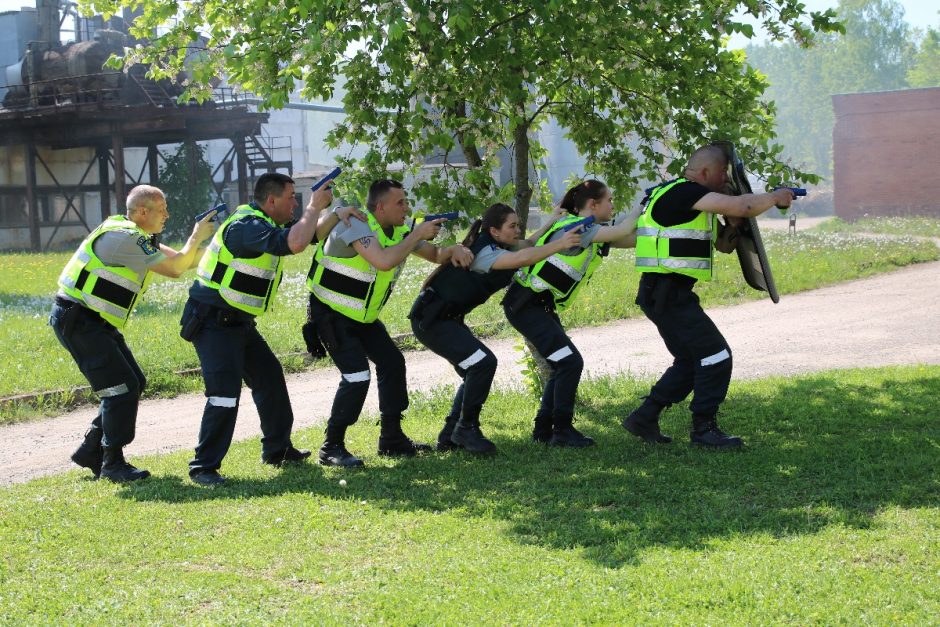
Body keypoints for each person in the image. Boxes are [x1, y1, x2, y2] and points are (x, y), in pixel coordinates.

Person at [181, 173, 353, 486]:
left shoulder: (266, 224)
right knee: (223, 395)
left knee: (270, 378)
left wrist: (336, 213)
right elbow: (297, 241)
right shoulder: (246, 226)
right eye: (291, 197)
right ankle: (203, 467)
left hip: (237, 321)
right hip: (213, 321)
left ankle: (278, 449)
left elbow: (309, 235)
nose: (296, 203)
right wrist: (314, 205)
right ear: (271, 200)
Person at [622, 145, 794, 448]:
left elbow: (724, 245)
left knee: (690, 361)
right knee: (716, 356)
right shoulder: (684, 192)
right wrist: (775, 197)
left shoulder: (688, 200)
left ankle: (644, 417)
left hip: (665, 294)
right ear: (705, 172)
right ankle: (703, 429)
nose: (725, 182)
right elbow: (743, 205)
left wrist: (735, 225)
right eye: (722, 175)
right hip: (667, 294)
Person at [51, 184, 216, 482]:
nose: (167, 215)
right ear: (142, 211)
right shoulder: (126, 238)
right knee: (121, 388)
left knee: (134, 382)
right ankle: (112, 463)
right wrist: (196, 236)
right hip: (80, 320)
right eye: (162, 210)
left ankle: (92, 450)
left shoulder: (133, 234)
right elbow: (176, 268)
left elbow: (184, 258)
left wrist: (220, 248)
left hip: (92, 321)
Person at [307, 178, 474, 467]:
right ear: (380, 207)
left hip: (363, 317)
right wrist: (415, 235)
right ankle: (331, 446)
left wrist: (455, 249)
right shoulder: (357, 224)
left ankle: (391, 439)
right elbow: (383, 261)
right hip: (331, 314)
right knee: (357, 376)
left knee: (393, 363)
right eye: (401, 203)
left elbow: (434, 254)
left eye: (407, 202)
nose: (406, 208)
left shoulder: (399, 230)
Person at [409, 203, 583, 454]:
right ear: (494, 231)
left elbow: (529, 245)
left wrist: (552, 221)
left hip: (444, 318)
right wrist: (560, 244)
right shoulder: (487, 253)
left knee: (475, 367)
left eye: (517, 225)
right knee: (482, 363)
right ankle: (466, 429)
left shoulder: (498, 244)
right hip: (432, 320)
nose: (518, 230)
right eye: (512, 226)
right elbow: (523, 258)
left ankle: (451, 435)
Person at [502, 180, 639, 447]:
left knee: (561, 364)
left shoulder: (589, 231)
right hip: (527, 305)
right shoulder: (580, 228)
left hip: (535, 305)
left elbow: (630, 238)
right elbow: (624, 228)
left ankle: (544, 429)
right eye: (609, 200)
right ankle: (562, 431)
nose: (613, 205)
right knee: (570, 363)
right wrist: (642, 208)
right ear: (593, 205)